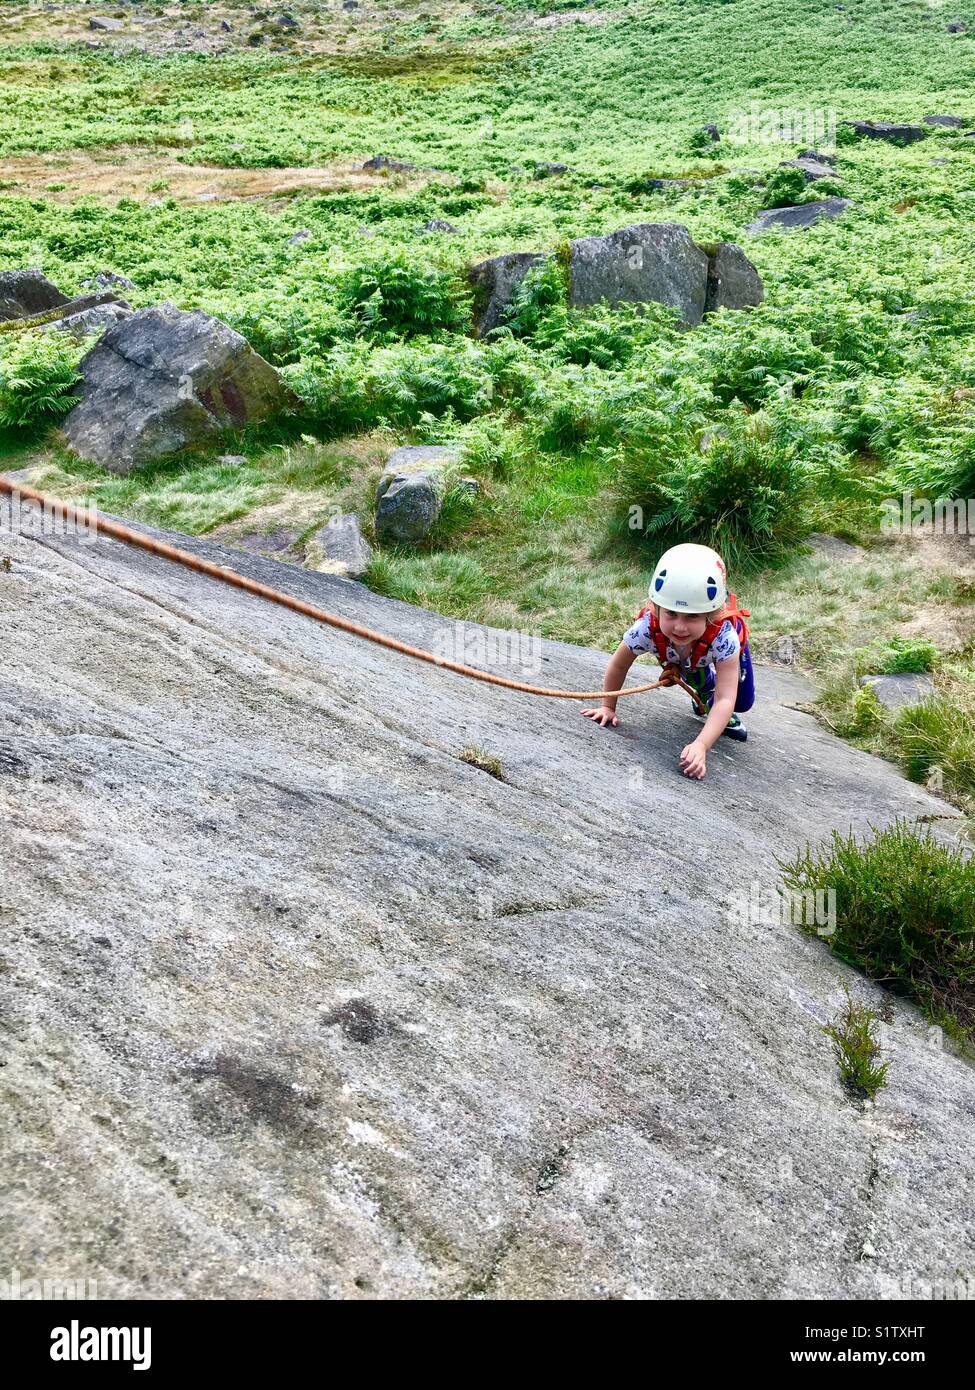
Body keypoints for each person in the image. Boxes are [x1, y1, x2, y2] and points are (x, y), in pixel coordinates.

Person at [581, 543, 754, 780]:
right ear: (656, 609)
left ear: (711, 614)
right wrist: (607, 706)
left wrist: (701, 745)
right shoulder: (646, 628)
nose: (680, 627)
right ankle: (702, 690)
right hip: (687, 656)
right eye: (671, 613)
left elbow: (726, 697)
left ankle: (708, 698)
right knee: (693, 669)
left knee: (740, 701)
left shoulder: (724, 637)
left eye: (692, 616)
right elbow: (619, 664)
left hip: (715, 654)